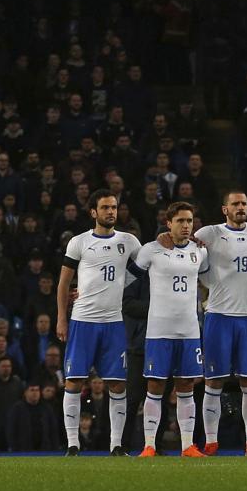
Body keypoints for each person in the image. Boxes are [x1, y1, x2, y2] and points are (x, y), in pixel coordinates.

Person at [190, 192, 247, 455]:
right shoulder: (210, 232)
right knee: (214, 381)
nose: (240, 207)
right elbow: (183, 242)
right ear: (224, 209)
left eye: (244, 203)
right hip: (218, 316)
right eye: (235, 204)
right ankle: (211, 441)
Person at [58, 192, 139, 456]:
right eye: (105, 207)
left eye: (113, 207)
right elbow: (63, 283)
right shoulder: (79, 242)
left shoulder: (129, 241)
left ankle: (116, 445)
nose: (111, 211)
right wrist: (61, 318)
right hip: (83, 321)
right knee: (74, 381)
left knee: (117, 385)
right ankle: (72, 444)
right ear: (93, 212)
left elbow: (147, 267)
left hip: (113, 322)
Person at [134, 203, 210, 457]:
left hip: (189, 330)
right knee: (155, 386)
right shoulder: (151, 249)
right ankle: (149, 445)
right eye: (180, 221)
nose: (186, 225)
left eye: (189, 221)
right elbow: (128, 279)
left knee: (186, 386)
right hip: (159, 330)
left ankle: (187, 445)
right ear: (168, 223)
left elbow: (207, 281)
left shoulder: (200, 251)